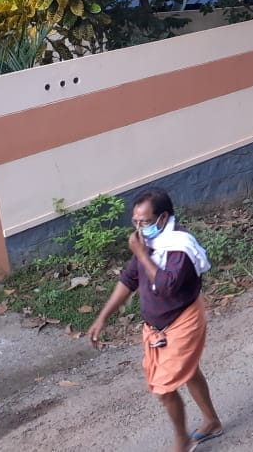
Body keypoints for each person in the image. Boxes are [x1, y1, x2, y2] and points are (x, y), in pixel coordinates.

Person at [88, 189, 222, 452]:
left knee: (163, 388)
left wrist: (141, 254)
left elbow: (166, 287)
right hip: (156, 329)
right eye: (135, 222)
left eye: (145, 222)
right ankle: (212, 422)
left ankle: (181, 441)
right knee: (189, 369)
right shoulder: (149, 243)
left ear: (163, 218)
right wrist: (102, 318)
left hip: (182, 321)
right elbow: (129, 280)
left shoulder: (179, 247)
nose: (138, 229)